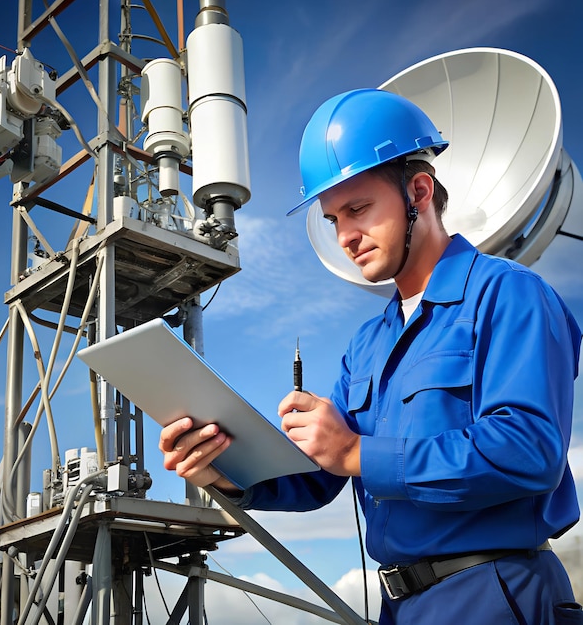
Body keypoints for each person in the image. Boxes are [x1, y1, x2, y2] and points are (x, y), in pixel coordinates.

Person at [159, 89, 583, 624]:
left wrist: (359, 454)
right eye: (334, 218)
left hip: (493, 595)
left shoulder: (511, 295)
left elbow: (527, 450)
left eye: (357, 209)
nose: (346, 236)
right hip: (401, 608)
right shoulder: (367, 345)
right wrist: (223, 469)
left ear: (419, 191)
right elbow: (319, 476)